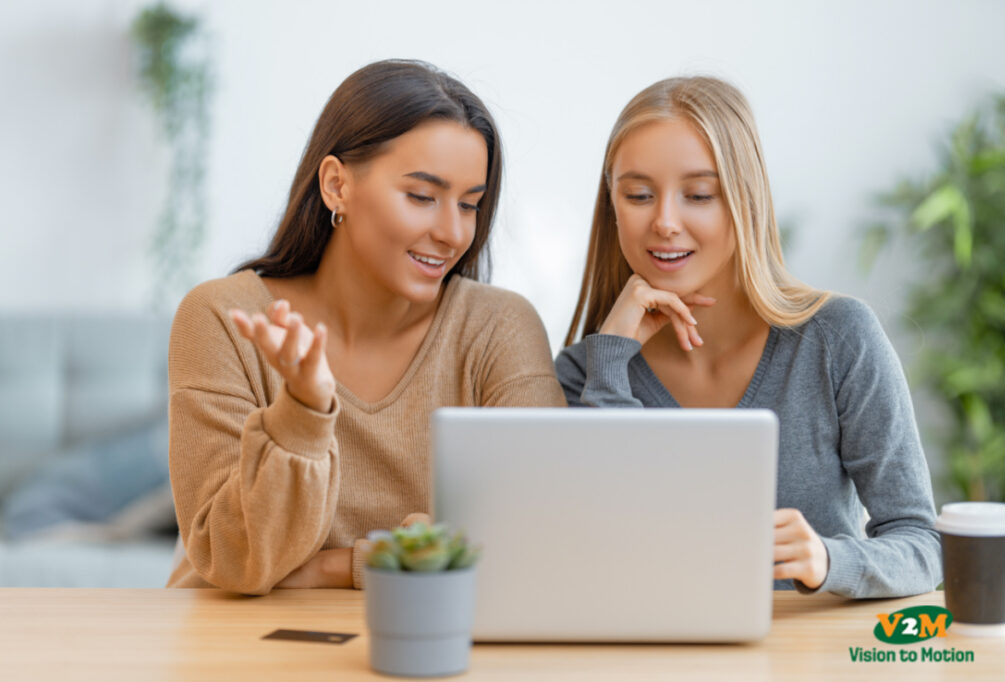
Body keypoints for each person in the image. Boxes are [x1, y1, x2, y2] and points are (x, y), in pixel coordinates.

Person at [166, 60, 565, 595]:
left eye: (470, 205)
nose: (452, 233)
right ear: (336, 185)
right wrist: (302, 412)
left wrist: (334, 568)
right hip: (238, 647)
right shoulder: (224, 318)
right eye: (422, 197)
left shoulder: (499, 328)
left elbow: (535, 531)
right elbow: (236, 561)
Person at [556, 76, 942, 598]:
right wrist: (611, 364)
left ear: (744, 199)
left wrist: (829, 559)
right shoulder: (585, 373)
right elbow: (588, 552)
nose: (665, 221)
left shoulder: (838, 340)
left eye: (699, 194)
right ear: (613, 205)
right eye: (640, 194)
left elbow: (923, 544)